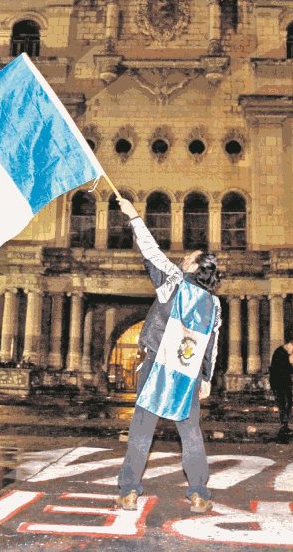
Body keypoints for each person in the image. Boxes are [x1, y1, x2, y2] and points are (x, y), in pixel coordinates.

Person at [114, 196, 221, 514]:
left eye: (188, 257)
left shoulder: (173, 282)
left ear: (194, 266)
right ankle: (199, 491)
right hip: (187, 373)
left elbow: (150, 250)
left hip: (156, 366)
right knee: (190, 434)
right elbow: (210, 345)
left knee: (141, 431)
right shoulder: (213, 304)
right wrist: (206, 379)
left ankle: (130, 490)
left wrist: (134, 216)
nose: (183, 258)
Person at [269, 337, 293, 435]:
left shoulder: (283, 353)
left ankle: (285, 426)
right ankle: (283, 427)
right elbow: (290, 361)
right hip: (278, 383)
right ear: (289, 344)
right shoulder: (280, 352)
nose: (292, 351)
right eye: (292, 349)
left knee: (288, 403)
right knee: (284, 404)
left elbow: (289, 366)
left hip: (284, 382)